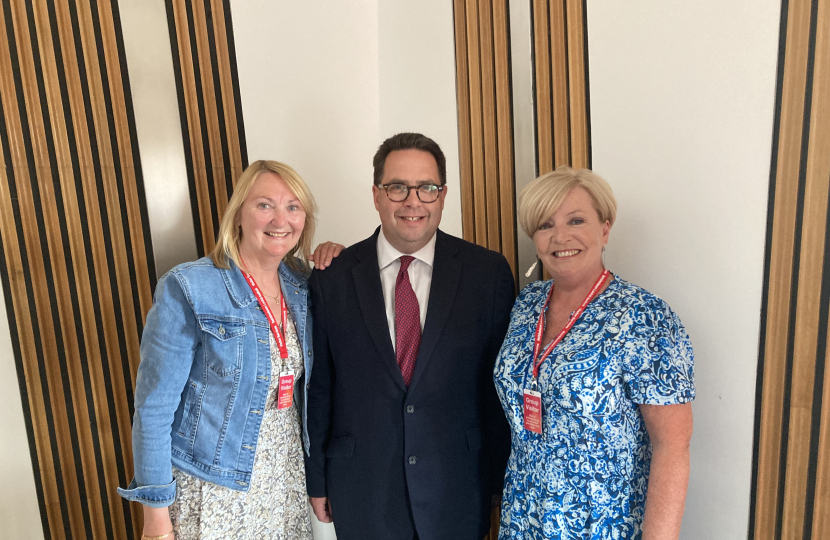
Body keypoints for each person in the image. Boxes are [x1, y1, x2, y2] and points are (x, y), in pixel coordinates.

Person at [306, 132, 515, 540]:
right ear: (376, 194)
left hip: (458, 482)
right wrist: (318, 478)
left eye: (427, 188)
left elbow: (497, 389)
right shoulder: (332, 277)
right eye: (398, 187)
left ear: (443, 194)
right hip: (362, 485)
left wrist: (497, 478)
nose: (413, 201)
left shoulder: (487, 274)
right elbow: (320, 387)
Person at [118, 160, 319, 540]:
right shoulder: (190, 287)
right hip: (212, 484)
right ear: (239, 214)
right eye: (264, 205)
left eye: (293, 206)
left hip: (285, 479)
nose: (281, 219)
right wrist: (156, 519)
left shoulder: (302, 286)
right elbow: (154, 409)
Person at [494, 166, 695, 539]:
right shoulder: (526, 304)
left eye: (576, 220)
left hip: (603, 523)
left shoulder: (643, 317)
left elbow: (672, 445)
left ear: (605, 228)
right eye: (544, 225)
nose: (560, 236)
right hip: (524, 516)